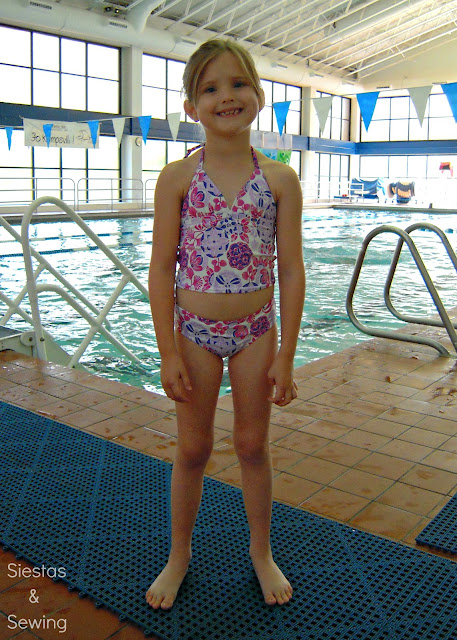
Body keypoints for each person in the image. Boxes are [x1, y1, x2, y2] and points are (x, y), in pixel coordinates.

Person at [146, 38, 305, 611]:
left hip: (257, 331)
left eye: (238, 83)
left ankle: (261, 553)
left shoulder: (281, 179)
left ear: (258, 95)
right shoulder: (177, 178)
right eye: (210, 88)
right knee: (193, 448)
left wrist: (286, 354)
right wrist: (167, 352)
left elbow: (291, 269)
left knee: (252, 444)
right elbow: (161, 268)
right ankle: (179, 555)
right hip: (193, 332)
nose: (227, 96)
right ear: (192, 106)